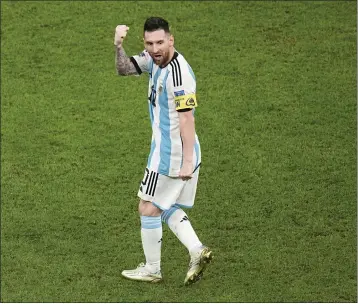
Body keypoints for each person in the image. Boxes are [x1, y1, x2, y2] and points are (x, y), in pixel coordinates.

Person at [114, 17, 212, 286]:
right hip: (169, 151)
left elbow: (187, 118)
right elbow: (124, 69)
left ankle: (152, 269)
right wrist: (118, 46)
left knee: (147, 207)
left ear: (171, 40)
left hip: (173, 156)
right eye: (149, 43)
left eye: (160, 42)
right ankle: (197, 250)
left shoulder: (179, 75)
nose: (155, 49)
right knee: (165, 206)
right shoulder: (154, 60)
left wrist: (187, 162)